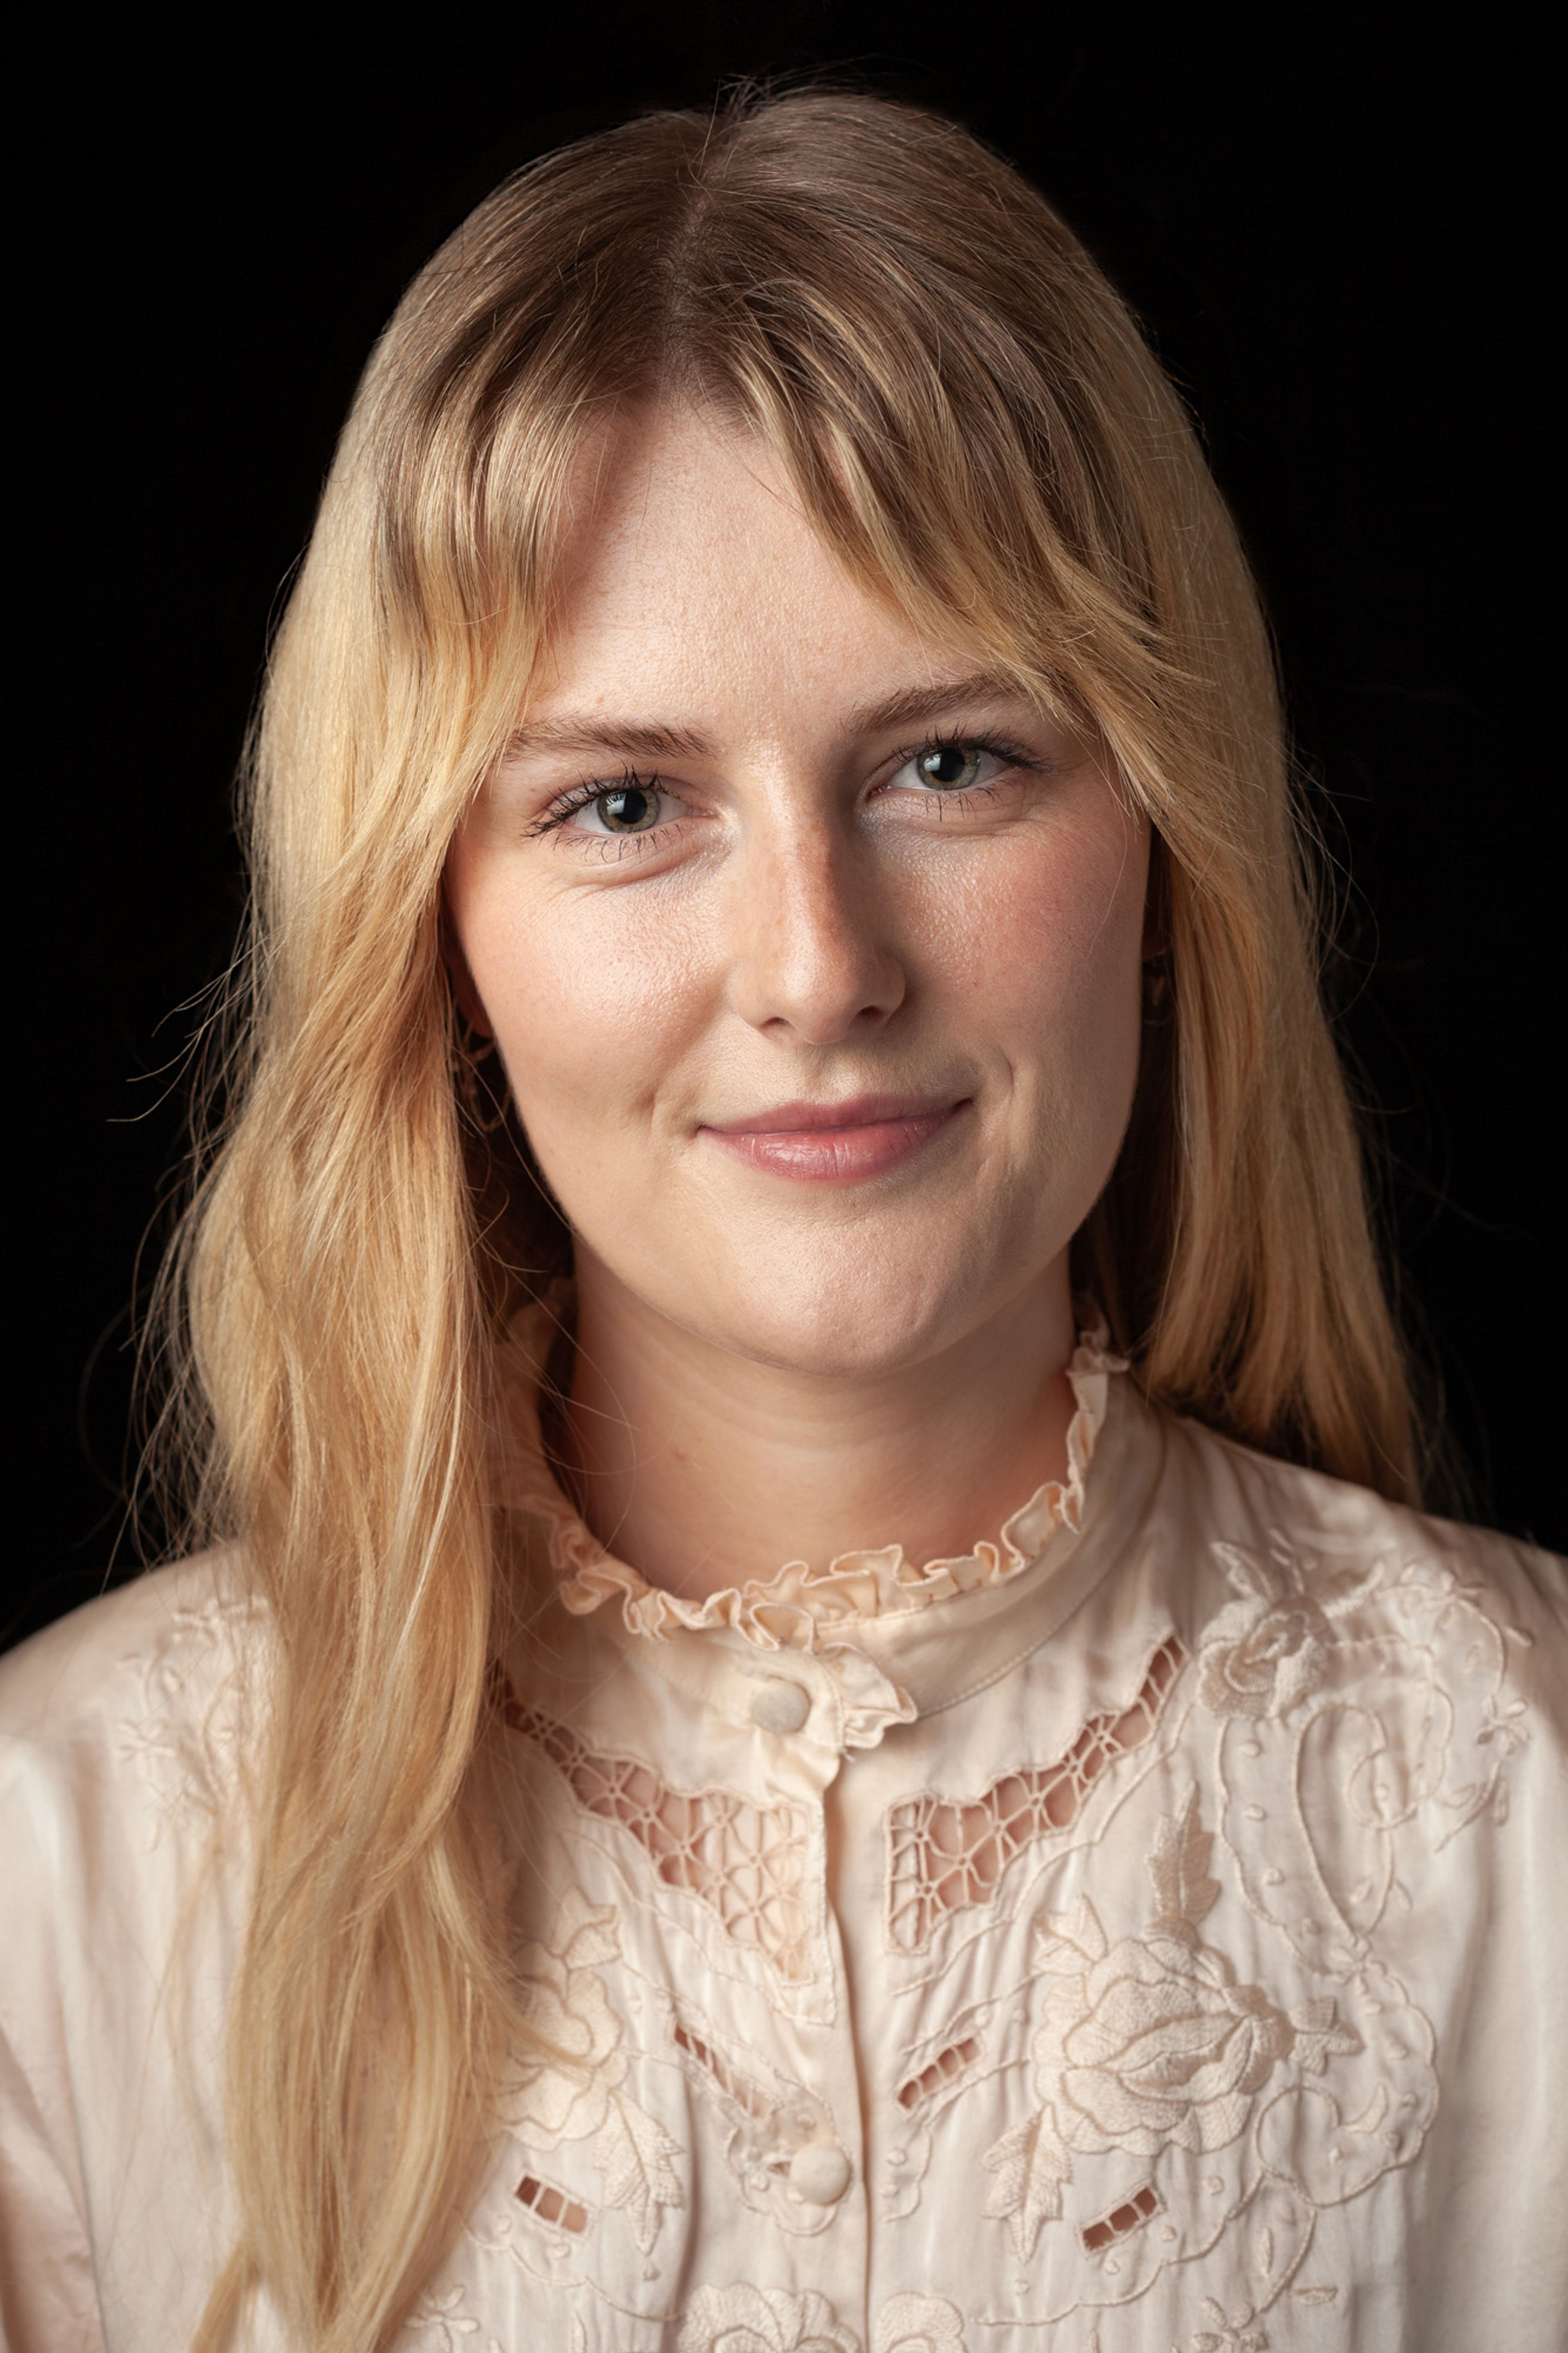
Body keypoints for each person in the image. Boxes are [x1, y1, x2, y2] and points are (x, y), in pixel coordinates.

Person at [0, 86, 1562, 2353]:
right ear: (432, 933)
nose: (821, 964)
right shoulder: (59, 1864)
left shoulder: (1526, 1797)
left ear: (1163, 837)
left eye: (952, 761)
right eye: (625, 802)